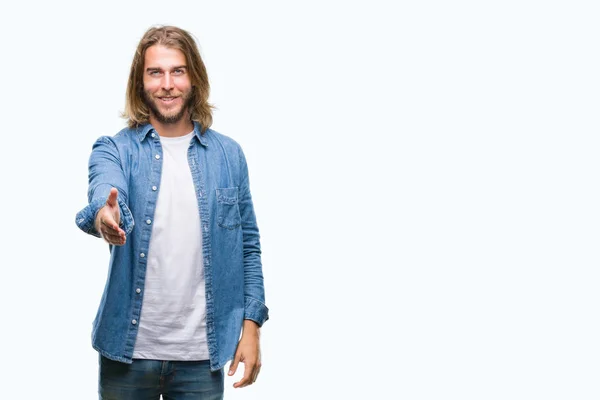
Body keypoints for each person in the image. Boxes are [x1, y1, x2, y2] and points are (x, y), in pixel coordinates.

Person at [75, 25, 269, 399]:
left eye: (177, 71)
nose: (167, 84)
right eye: (155, 72)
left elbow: (248, 246)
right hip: (128, 352)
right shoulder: (115, 149)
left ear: (193, 77)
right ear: (140, 82)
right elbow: (104, 190)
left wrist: (252, 324)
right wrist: (105, 217)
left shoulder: (229, 156)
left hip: (201, 354)